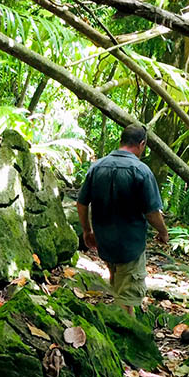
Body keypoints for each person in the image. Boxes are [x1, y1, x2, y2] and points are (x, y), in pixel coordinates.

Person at [76, 124, 169, 315]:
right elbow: (152, 213)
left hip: (106, 244)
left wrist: (87, 231)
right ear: (142, 144)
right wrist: (163, 231)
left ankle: (117, 329)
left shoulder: (97, 167)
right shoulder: (141, 171)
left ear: (122, 140)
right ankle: (124, 339)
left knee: (119, 289)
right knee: (127, 301)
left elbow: (82, 203)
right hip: (130, 247)